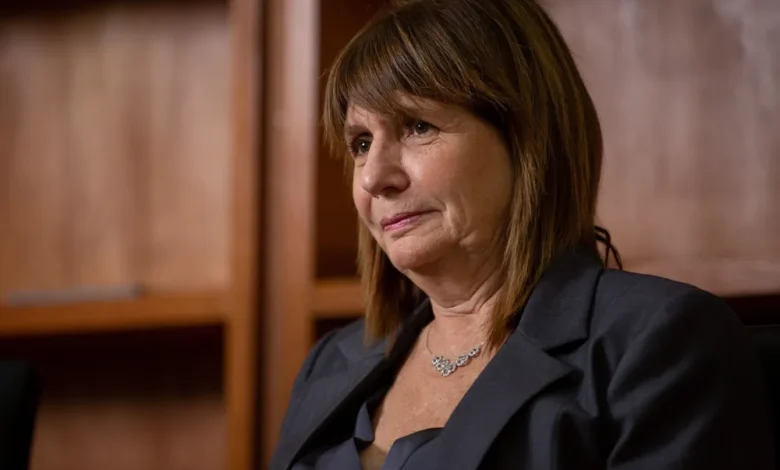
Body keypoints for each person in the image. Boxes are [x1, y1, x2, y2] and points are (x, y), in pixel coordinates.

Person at [270, 0, 775, 469]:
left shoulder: (660, 344)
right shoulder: (330, 362)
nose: (373, 178)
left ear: (527, 138)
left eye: (418, 126)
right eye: (361, 142)